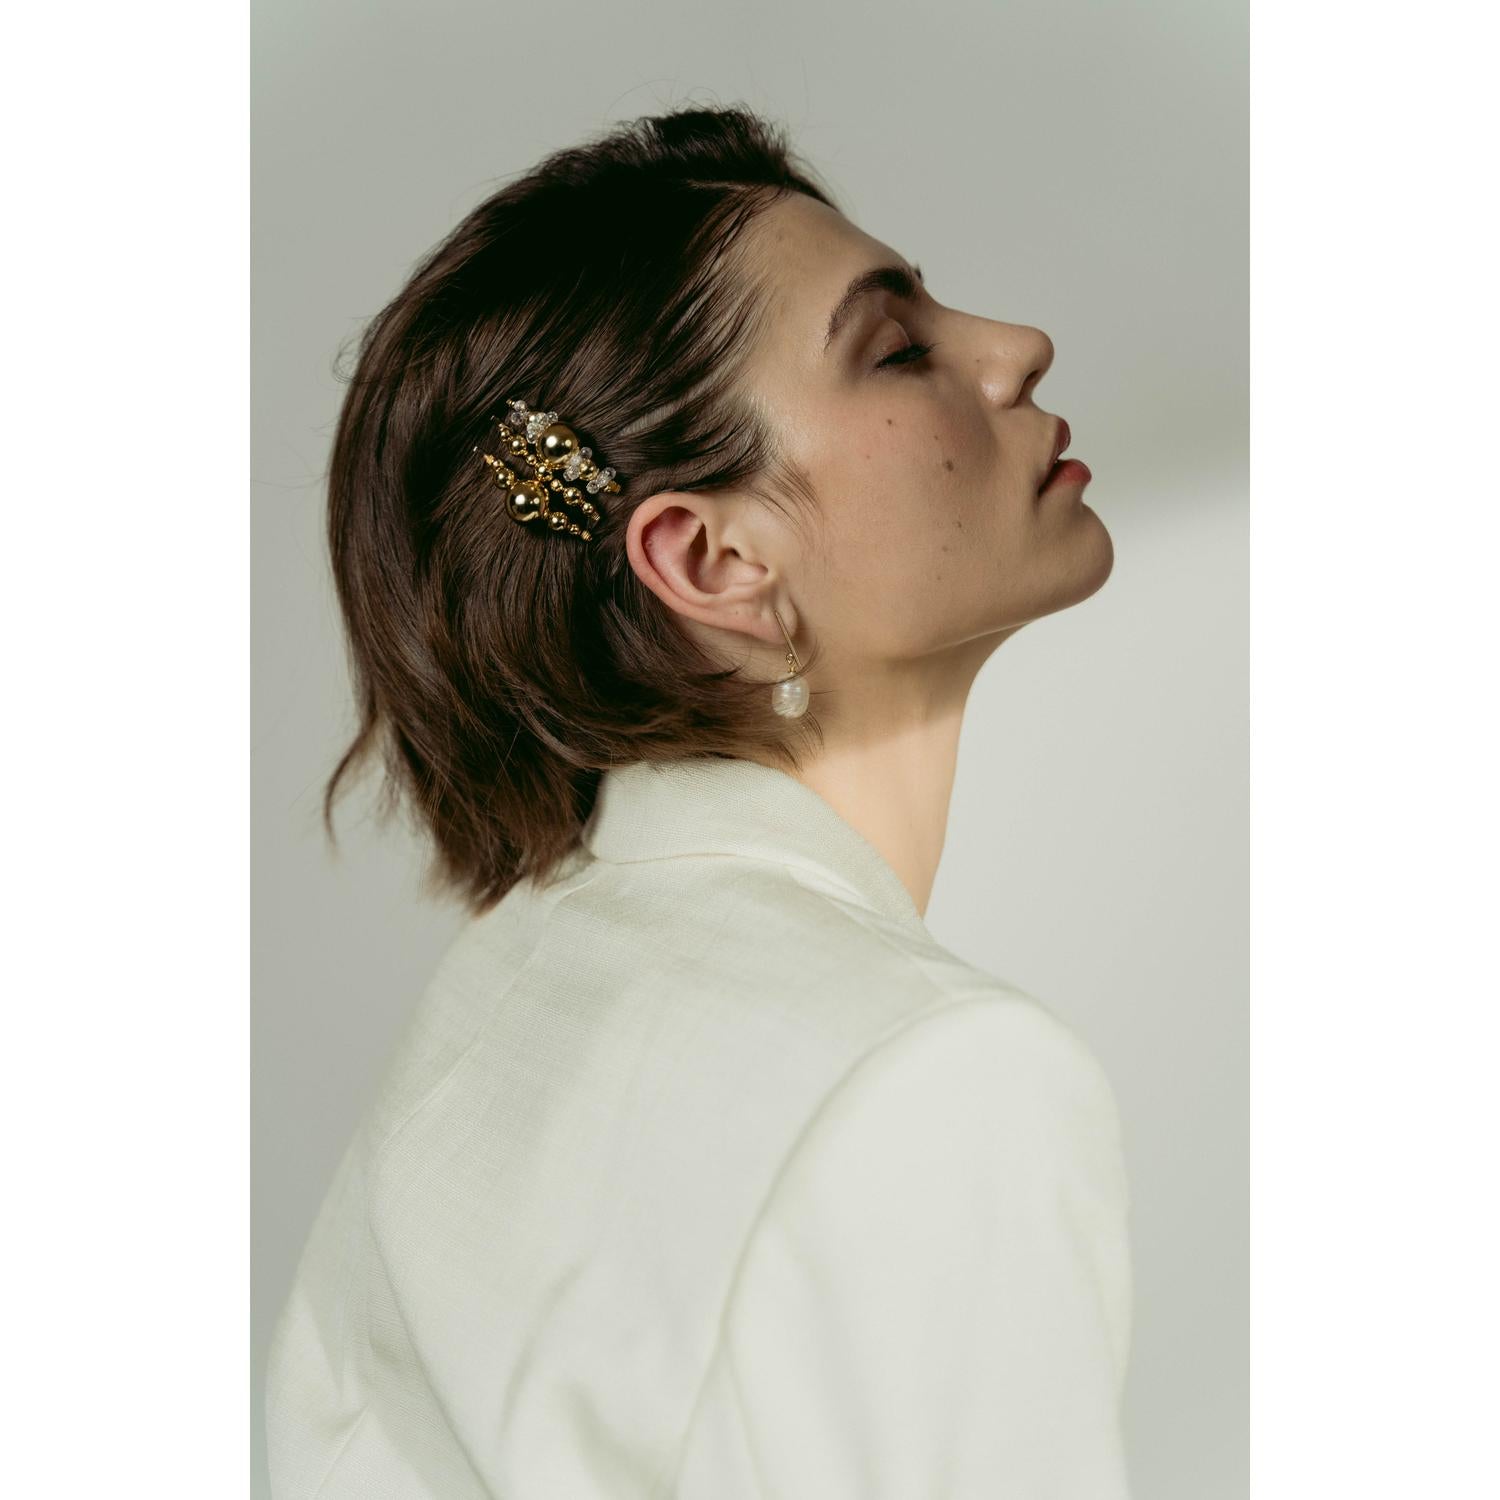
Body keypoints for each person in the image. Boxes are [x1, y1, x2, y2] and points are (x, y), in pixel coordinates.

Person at [265, 102, 1131, 1497]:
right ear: (716, 564)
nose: (1014, 345)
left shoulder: (502, 999)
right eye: (897, 347)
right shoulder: (932, 1080)